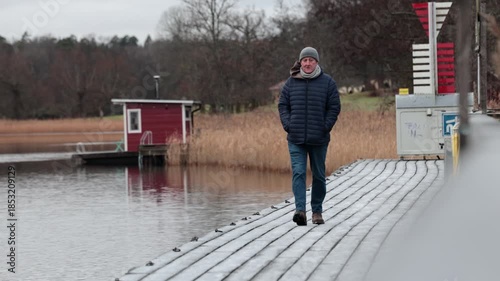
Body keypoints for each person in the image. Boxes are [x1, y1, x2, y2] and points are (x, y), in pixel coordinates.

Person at [278, 46, 341, 226]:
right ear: (300, 62)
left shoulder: (327, 82)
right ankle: (300, 211)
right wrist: (288, 125)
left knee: (319, 175)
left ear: (316, 62)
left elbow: (334, 107)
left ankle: (317, 211)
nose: (307, 63)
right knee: (298, 172)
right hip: (295, 138)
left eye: (310, 60)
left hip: (319, 138)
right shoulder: (290, 83)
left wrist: (325, 126)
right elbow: (283, 105)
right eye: (304, 60)